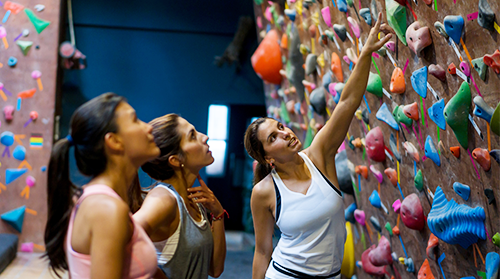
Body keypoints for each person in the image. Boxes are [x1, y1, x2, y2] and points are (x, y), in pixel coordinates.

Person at [244, 13, 392, 279]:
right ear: (268, 159)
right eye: (273, 138)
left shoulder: (319, 154)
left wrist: (366, 52)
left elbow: (346, 103)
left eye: (280, 126)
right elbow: (262, 252)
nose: (285, 133)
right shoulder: (263, 192)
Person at [43, 93, 165, 279]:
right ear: (114, 141)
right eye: (135, 120)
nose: (148, 127)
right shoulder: (107, 209)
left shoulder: (100, 201)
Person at [133, 114, 226, 279]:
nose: (205, 137)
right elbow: (126, 237)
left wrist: (218, 214)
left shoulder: (194, 200)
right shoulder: (165, 198)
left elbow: (215, 269)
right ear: (176, 160)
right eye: (192, 136)